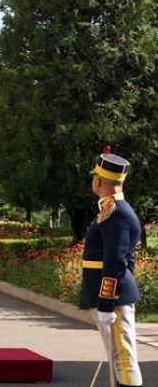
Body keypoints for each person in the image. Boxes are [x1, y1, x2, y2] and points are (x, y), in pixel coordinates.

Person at [81, 147, 142, 387]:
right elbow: (127, 259)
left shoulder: (114, 213)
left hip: (112, 299)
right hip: (114, 296)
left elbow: (116, 261)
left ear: (98, 181)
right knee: (119, 358)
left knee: (123, 359)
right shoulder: (112, 210)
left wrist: (106, 302)